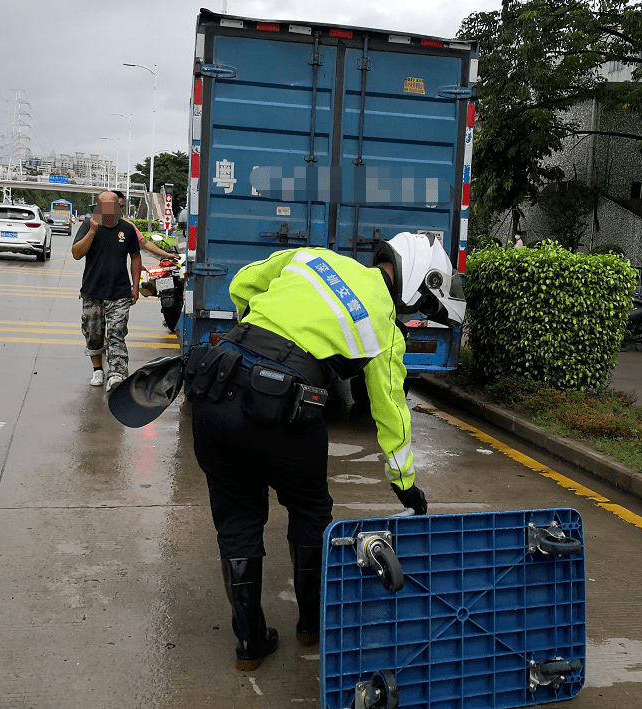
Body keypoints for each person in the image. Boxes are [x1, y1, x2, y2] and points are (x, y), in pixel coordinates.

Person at [186, 232, 456, 671]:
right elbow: (391, 414)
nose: (416, 310)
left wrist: (257, 337)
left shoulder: (312, 258)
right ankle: (310, 625)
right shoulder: (385, 326)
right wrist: (406, 486)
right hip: (284, 409)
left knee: (237, 519)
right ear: (414, 281)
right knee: (311, 512)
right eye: (423, 300)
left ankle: (249, 645)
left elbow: (243, 284)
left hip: (215, 389)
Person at [71, 191, 141, 391]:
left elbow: (136, 257)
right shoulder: (87, 225)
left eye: (114, 207)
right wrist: (92, 231)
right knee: (93, 334)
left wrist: (135, 286)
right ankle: (98, 370)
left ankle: (117, 374)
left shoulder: (127, 229)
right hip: (92, 292)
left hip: (120, 293)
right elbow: (76, 254)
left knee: (116, 334)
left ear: (119, 208)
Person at [112, 190, 173, 261]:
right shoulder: (96, 226)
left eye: (122, 206)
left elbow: (145, 243)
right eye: (117, 205)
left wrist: (167, 255)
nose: (120, 209)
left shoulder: (128, 226)